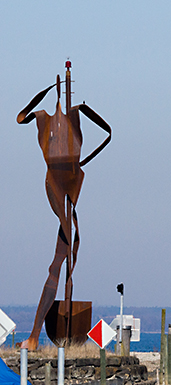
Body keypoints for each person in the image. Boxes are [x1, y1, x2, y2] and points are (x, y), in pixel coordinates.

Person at [17, 61, 111, 350]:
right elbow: (20, 117)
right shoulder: (43, 118)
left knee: (69, 250)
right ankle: (34, 335)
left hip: (72, 180)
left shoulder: (74, 113)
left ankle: (35, 334)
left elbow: (107, 131)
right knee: (62, 254)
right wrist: (47, 90)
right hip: (56, 183)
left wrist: (83, 159)